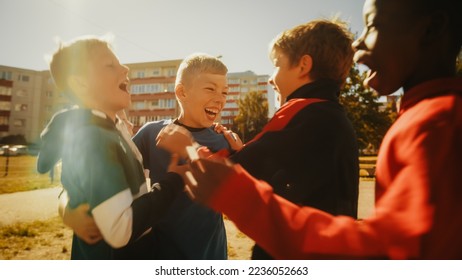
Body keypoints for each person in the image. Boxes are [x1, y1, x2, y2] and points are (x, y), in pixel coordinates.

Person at [176, 0, 462, 259]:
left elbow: (228, 171)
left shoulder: (437, 122)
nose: (359, 44)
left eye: (372, 25)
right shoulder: (341, 117)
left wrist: (188, 149)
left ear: (303, 66)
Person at [158, 18, 360, 260]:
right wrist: (241, 152)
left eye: (277, 65)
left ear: (304, 65)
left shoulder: (301, 112)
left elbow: (226, 176)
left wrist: (188, 147)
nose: (271, 79)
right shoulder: (336, 119)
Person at [63, 53, 234, 259]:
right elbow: (105, 170)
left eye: (225, 92)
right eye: (210, 88)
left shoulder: (224, 140)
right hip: (160, 253)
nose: (220, 98)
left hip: (209, 253)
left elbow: (236, 191)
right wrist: (66, 206)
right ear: (182, 92)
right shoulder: (151, 133)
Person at [37, 36, 184, 259]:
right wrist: (173, 181)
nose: (125, 68)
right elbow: (120, 230)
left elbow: (74, 185)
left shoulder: (108, 128)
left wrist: (65, 206)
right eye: (110, 65)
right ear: (81, 83)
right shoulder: (94, 139)